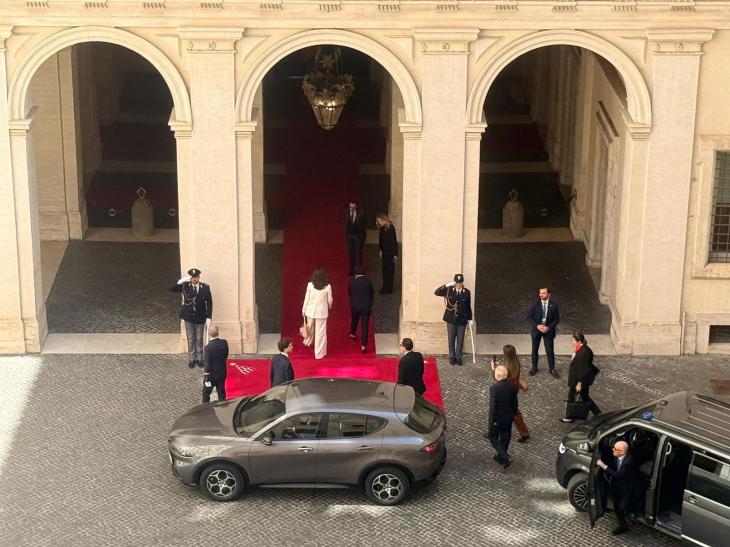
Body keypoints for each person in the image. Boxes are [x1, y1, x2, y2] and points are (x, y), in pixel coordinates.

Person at [170, 268, 213, 368]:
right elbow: (171, 289)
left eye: (196, 277)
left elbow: (209, 302)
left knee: (199, 338)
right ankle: (192, 359)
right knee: (190, 338)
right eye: (192, 277)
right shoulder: (185, 286)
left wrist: (209, 317)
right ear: (190, 278)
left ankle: (200, 359)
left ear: (199, 277)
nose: (194, 279)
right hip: (188, 317)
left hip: (200, 317)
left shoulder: (205, 287)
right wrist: (180, 281)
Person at [597, 441, 637, 536]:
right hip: (617, 486)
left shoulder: (628, 462)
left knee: (620, 507)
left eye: (615, 449)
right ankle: (624, 520)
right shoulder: (617, 456)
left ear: (622, 451)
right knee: (617, 505)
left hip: (626, 489)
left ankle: (624, 524)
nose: (613, 449)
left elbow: (617, 475)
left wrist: (604, 466)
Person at [491, 344, 529, 442]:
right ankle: (524, 432)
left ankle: (493, 431)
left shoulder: (507, 367)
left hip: (506, 390)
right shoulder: (516, 363)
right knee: (514, 410)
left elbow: (499, 379)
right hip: (514, 389)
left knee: (501, 411)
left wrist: (494, 369)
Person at [562, 330, 602, 423]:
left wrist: (579, 383)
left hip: (579, 380)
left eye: (573, 341)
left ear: (579, 341)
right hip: (577, 379)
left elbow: (584, 369)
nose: (572, 342)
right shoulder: (581, 349)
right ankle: (598, 414)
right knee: (580, 397)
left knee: (578, 397)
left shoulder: (584, 352)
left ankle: (598, 414)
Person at [434, 274, 473, 366]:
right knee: (451, 338)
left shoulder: (466, 292)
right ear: (455, 282)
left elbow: (468, 306)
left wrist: (470, 318)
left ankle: (458, 357)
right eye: (457, 282)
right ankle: (452, 356)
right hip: (451, 318)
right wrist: (446, 285)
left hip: (462, 319)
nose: (459, 284)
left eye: (460, 282)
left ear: (462, 282)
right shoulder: (449, 290)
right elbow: (437, 292)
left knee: (460, 339)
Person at [488, 365, 518, 469]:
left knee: (492, 437)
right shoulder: (512, 386)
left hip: (498, 419)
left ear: (497, 376)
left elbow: (493, 407)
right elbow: (515, 402)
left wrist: (491, 422)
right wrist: (514, 414)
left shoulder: (494, 389)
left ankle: (505, 457)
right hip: (508, 417)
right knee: (505, 437)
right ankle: (502, 457)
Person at [526, 286, 560, 378]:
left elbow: (556, 319)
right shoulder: (535, 304)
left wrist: (548, 327)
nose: (541, 295)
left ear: (549, 294)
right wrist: (537, 326)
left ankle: (552, 369)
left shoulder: (554, 305)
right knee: (534, 349)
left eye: (543, 293)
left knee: (549, 350)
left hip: (548, 331)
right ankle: (534, 367)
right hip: (536, 330)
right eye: (540, 293)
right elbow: (529, 317)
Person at [301, 267, 333, 359]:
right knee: (321, 333)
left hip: (310, 311)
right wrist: (329, 307)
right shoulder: (328, 287)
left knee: (310, 329)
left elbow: (306, 298)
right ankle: (319, 354)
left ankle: (308, 341)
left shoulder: (310, 285)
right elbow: (330, 301)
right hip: (322, 313)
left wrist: (303, 310)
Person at [348, 266, 374, 354]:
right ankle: (363, 345)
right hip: (366, 306)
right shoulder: (368, 281)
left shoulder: (352, 282)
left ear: (355, 274)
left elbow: (349, 292)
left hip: (355, 305)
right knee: (365, 325)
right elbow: (372, 292)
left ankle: (353, 333)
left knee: (354, 319)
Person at [202, 324, 228, 403]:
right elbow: (225, 355)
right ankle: (223, 407)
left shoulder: (208, 347)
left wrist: (206, 375)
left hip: (211, 375)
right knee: (221, 394)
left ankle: (205, 408)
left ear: (209, 334)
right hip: (221, 372)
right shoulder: (224, 343)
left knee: (206, 394)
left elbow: (207, 363)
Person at [376, 213, 398, 294]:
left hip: (391, 253)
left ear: (384, 220)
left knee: (390, 271)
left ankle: (388, 289)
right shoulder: (382, 229)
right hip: (385, 252)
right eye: (378, 221)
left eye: (380, 221)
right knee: (384, 271)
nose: (379, 223)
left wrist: (395, 254)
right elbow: (380, 240)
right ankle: (384, 287)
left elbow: (394, 242)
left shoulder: (391, 228)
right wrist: (381, 250)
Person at [344, 200, 367, 275]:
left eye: (353, 207)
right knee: (351, 253)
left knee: (358, 253)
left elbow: (364, 224)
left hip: (358, 236)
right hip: (350, 236)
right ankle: (351, 269)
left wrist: (362, 235)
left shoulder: (361, 213)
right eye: (350, 207)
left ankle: (359, 270)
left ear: (356, 207)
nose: (351, 209)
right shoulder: (346, 213)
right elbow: (345, 223)